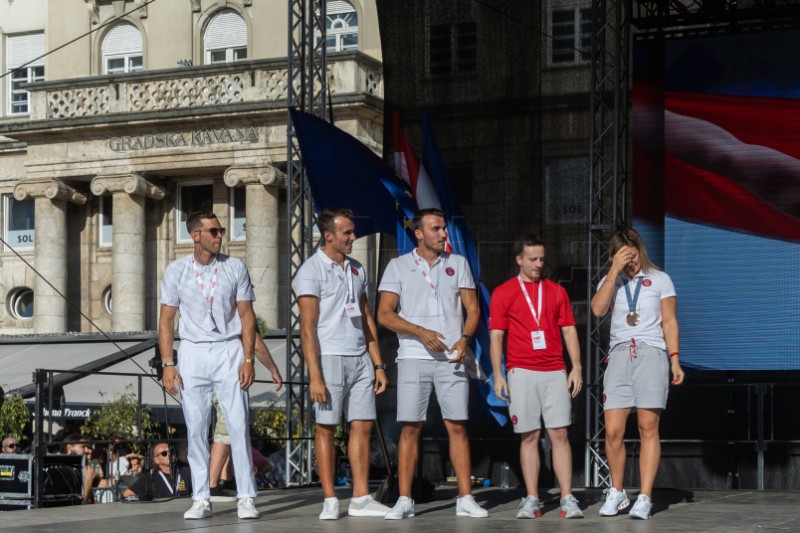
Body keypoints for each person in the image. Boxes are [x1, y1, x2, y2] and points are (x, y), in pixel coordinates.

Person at [377, 207, 487, 520]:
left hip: (451, 358)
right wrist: (420, 332)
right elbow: (384, 314)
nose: (443, 234)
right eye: (436, 229)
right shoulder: (398, 266)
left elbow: (473, 309)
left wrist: (464, 339)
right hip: (413, 356)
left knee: (457, 426)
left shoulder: (459, 263)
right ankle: (404, 499)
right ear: (420, 233)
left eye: (444, 229)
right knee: (410, 427)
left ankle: (465, 498)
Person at [159, 210, 259, 520]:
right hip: (192, 351)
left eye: (221, 230)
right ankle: (200, 497)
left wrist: (248, 358)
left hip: (229, 348)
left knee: (238, 423)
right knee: (196, 427)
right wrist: (167, 363)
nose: (220, 236)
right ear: (195, 235)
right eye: (214, 231)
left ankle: (246, 497)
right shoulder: (176, 270)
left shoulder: (235, 267)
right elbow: (166, 320)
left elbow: (246, 316)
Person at [295, 208, 390, 520]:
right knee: (326, 428)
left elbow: (365, 317)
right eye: (347, 233)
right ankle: (330, 499)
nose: (353, 237)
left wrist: (378, 364)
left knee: (361, 427)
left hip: (360, 356)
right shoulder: (311, 270)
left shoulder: (357, 268)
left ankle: (361, 498)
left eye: (353, 232)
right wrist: (316, 376)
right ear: (329, 236)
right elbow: (307, 329)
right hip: (330, 356)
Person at [590, 228, 685, 520]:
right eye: (622, 257)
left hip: (651, 352)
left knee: (647, 427)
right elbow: (597, 309)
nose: (629, 263)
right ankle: (617, 492)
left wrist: (675, 360)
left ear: (639, 250)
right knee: (614, 430)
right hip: (619, 354)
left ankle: (644, 496)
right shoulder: (613, 281)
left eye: (631, 256)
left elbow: (669, 321)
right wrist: (614, 269)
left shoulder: (660, 279)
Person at [489, 234, 584, 519]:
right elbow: (496, 335)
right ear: (519, 259)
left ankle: (567, 497)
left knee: (560, 433)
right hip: (520, 370)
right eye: (532, 259)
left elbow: (568, 329)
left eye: (541, 259)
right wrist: (498, 373)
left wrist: (576, 366)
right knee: (529, 435)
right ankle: (532, 498)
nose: (538, 264)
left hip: (554, 369)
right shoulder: (504, 292)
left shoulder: (555, 291)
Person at [208, 334, 283, 501]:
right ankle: (212, 486)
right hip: (228, 377)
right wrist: (273, 369)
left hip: (213, 372)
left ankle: (225, 481)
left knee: (229, 429)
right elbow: (255, 342)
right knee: (226, 429)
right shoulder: (240, 312)